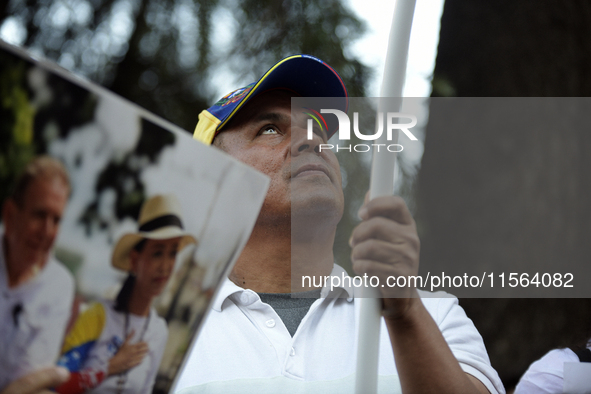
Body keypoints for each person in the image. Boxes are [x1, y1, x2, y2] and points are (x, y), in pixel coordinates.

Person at [175, 55, 505, 393]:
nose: (313, 141)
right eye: (270, 129)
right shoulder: (146, 332)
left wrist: (405, 314)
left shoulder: (434, 314)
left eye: (317, 130)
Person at [56, 194, 196, 393]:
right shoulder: (98, 315)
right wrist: (109, 368)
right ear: (134, 259)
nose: (166, 266)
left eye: (173, 253)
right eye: (157, 253)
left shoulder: (159, 331)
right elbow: (57, 383)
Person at [0, 156, 75, 391]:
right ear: (10, 214)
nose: (47, 231)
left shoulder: (58, 287)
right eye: (39, 215)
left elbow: (28, 382)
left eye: (56, 220)